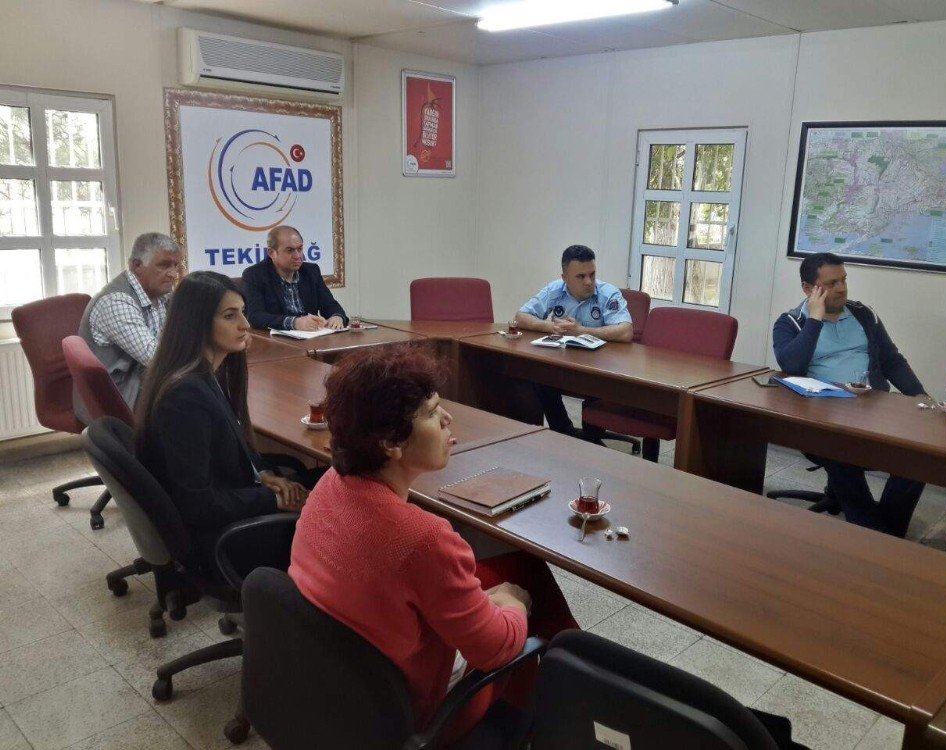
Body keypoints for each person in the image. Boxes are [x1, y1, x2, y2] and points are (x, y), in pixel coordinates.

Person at [289, 345, 578, 742]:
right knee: (524, 620)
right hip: (421, 709)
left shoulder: (329, 485)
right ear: (391, 442)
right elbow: (495, 650)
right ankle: (557, 714)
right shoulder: (423, 538)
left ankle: (575, 677)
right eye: (431, 412)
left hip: (347, 679)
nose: (447, 418)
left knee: (525, 565)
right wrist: (512, 604)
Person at [136, 271, 313, 577]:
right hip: (226, 541)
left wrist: (266, 475)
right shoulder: (185, 396)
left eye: (243, 312)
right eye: (231, 316)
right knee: (347, 505)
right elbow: (198, 503)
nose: (245, 324)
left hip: (233, 510)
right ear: (197, 323)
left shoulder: (203, 375)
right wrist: (272, 499)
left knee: (332, 482)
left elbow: (231, 451)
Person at [772, 252, 926, 537]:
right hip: (821, 418)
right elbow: (791, 365)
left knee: (921, 458)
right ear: (809, 289)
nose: (842, 288)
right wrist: (815, 320)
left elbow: (891, 360)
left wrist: (920, 395)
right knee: (842, 453)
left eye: (844, 280)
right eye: (832, 283)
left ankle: (885, 531)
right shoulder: (790, 323)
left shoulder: (863, 315)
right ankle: (872, 531)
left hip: (873, 411)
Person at [514, 245, 632, 436]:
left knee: (594, 386)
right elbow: (521, 316)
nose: (588, 281)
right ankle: (563, 430)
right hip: (564, 363)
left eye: (592, 274)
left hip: (599, 367)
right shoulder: (555, 289)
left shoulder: (608, 293)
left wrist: (582, 331)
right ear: (565, 278)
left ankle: (592, 440)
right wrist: (551, 327)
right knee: (537, 376)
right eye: (581, 276)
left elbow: (626, 331)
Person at [76, 232, 181, 417]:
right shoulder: (116, 301)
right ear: (136, 266)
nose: (173, 274)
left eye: (176, 265)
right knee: (196, 401)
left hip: (141, 384)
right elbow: (156, 357)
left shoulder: (160, 294)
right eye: (164, 265)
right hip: (113, 397)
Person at [242, 225, 348, 331]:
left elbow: (330, 305)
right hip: (277, 341)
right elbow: (255, 317)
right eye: (290, 250)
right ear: (271, 253)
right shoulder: (255, 275)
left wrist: (337, 317)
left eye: (300, 249)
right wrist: (294, 323)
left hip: (312, 338)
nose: (297, 256)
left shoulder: (311, 271)